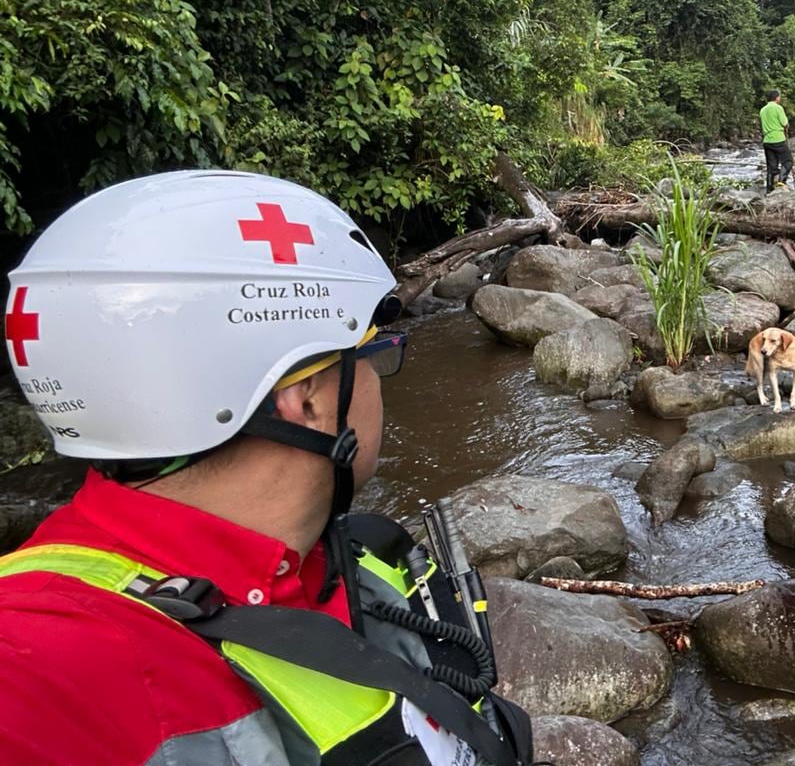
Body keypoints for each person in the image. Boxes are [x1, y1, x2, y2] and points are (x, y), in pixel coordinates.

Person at [0, 171, 532, 766]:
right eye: (373, 356)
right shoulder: (37, 663)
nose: (380, 385)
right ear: (305, 400)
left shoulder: (338, 554)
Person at [759, 89, 794, 193]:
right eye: (779, 96)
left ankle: (769, 189)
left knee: (771, 166)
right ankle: (781, 181)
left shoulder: (762, 110)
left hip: (767, 141)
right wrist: (787, 127)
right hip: (778, 139)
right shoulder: (778, 108)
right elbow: (785, 123)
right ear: (777, 98)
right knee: (788, 161)